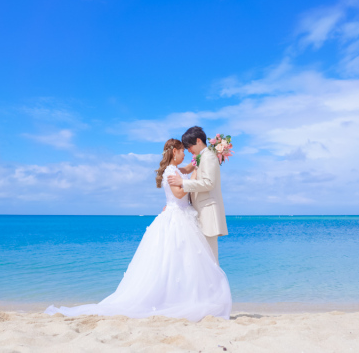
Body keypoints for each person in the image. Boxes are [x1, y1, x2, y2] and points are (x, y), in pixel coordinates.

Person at [44, 138, 231, 321]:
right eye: (182, 150)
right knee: (176, 261)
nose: (184, 154)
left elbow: (188, 171)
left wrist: (200, 161)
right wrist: (195, 176)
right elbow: (179, 193)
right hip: (177, 218)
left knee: (183, 263)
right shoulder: (171, 171)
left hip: (182, 216)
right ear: (175, 152)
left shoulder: (175, 169)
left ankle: (185, 298)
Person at [166, 126, 228, 264]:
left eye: (189, 146)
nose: (188, 150)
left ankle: (218, 286)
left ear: (198, 141)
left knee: (211, 260)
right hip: (200, 214)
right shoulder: (202, 157)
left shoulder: (209, 157)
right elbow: (188, 169)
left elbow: (209, 183)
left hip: (208, 214)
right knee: (204, 261)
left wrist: (183, 182)